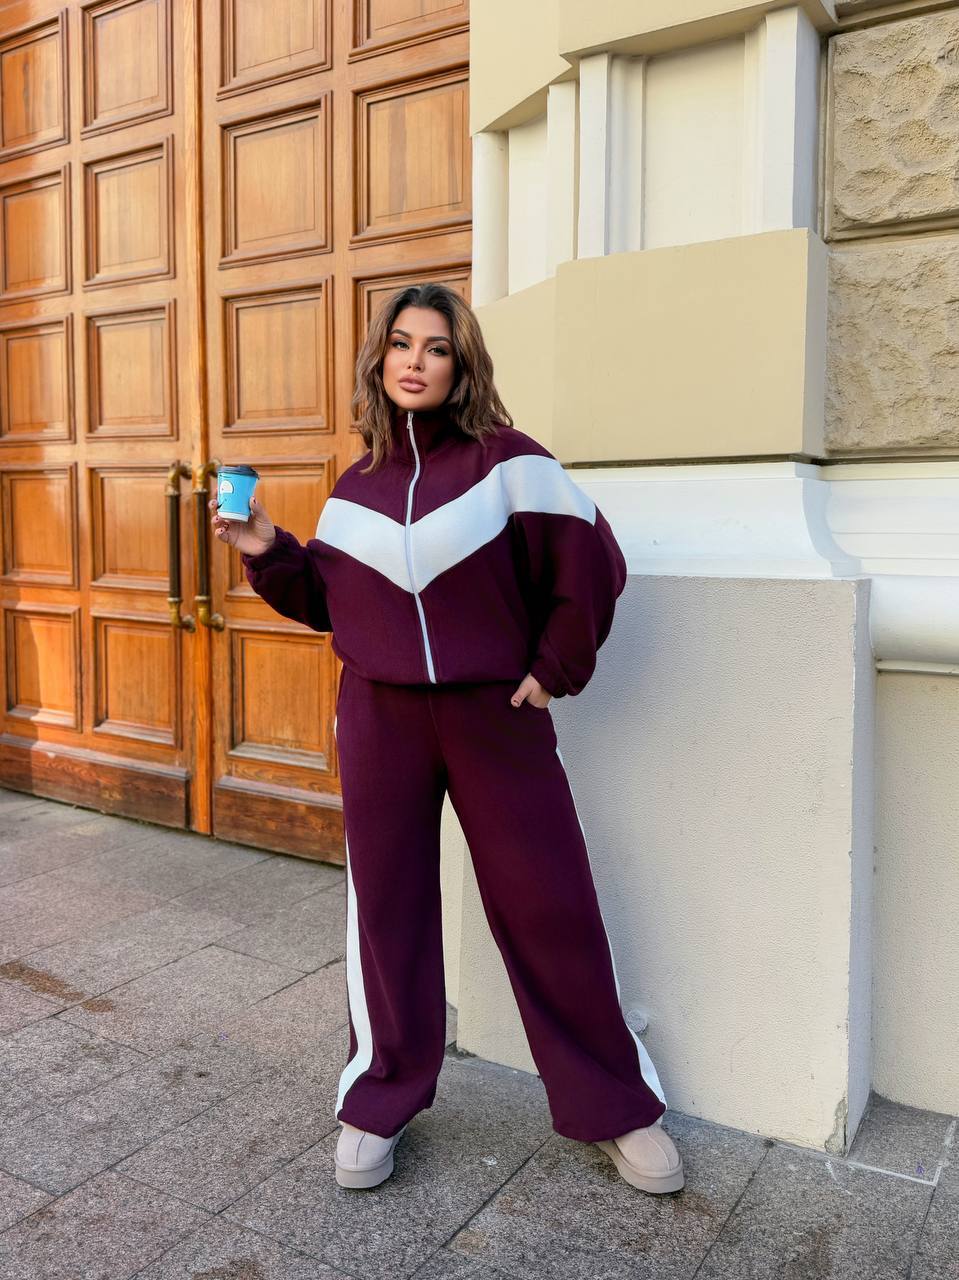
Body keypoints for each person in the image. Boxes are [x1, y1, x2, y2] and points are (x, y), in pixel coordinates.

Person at [208, 282, 684, 1196]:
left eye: (435, 347)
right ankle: (379, 1095)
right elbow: (330, 603)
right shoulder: (356, 487)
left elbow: (594, 561)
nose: (414, 361)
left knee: (548, 901)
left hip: (493, 715)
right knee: (385, 907)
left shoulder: (511, 465)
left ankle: (615, 1104)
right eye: (401, 344)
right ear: (378, 359)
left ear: (461, 364)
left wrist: (554, 667)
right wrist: (266, 545)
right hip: (378, 716)